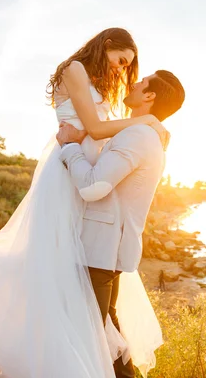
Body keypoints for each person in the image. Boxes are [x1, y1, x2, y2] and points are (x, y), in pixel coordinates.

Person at [0, 28, 170, 378]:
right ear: (107, 45)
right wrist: (147, 120)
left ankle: (88, 358)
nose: (123, 71)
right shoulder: (75, 69)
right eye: (121, 60)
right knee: (55, 271)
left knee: (72, 280)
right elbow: (93, 128)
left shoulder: (96, 81)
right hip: (66, 173)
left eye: (128, 67)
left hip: (82, 173)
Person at [56, 69, 186, 377]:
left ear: (149, 96)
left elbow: (93, 187)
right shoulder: (141, 133)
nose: (134, 82)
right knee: (107, 331)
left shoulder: (138, 136)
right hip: (106, 250)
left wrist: (69, 146)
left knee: (89, 336)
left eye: (142, 82)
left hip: (99, 251)